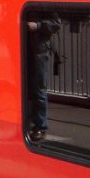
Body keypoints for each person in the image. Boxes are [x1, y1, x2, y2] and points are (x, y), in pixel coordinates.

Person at [27, 13, 61, 142]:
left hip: (39, 51)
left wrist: (38, 26)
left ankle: (40, 126)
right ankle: (27, 123)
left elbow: (56, 24)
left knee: (39, 88)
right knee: (26, 88)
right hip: (25, 48)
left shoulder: (45, 1)